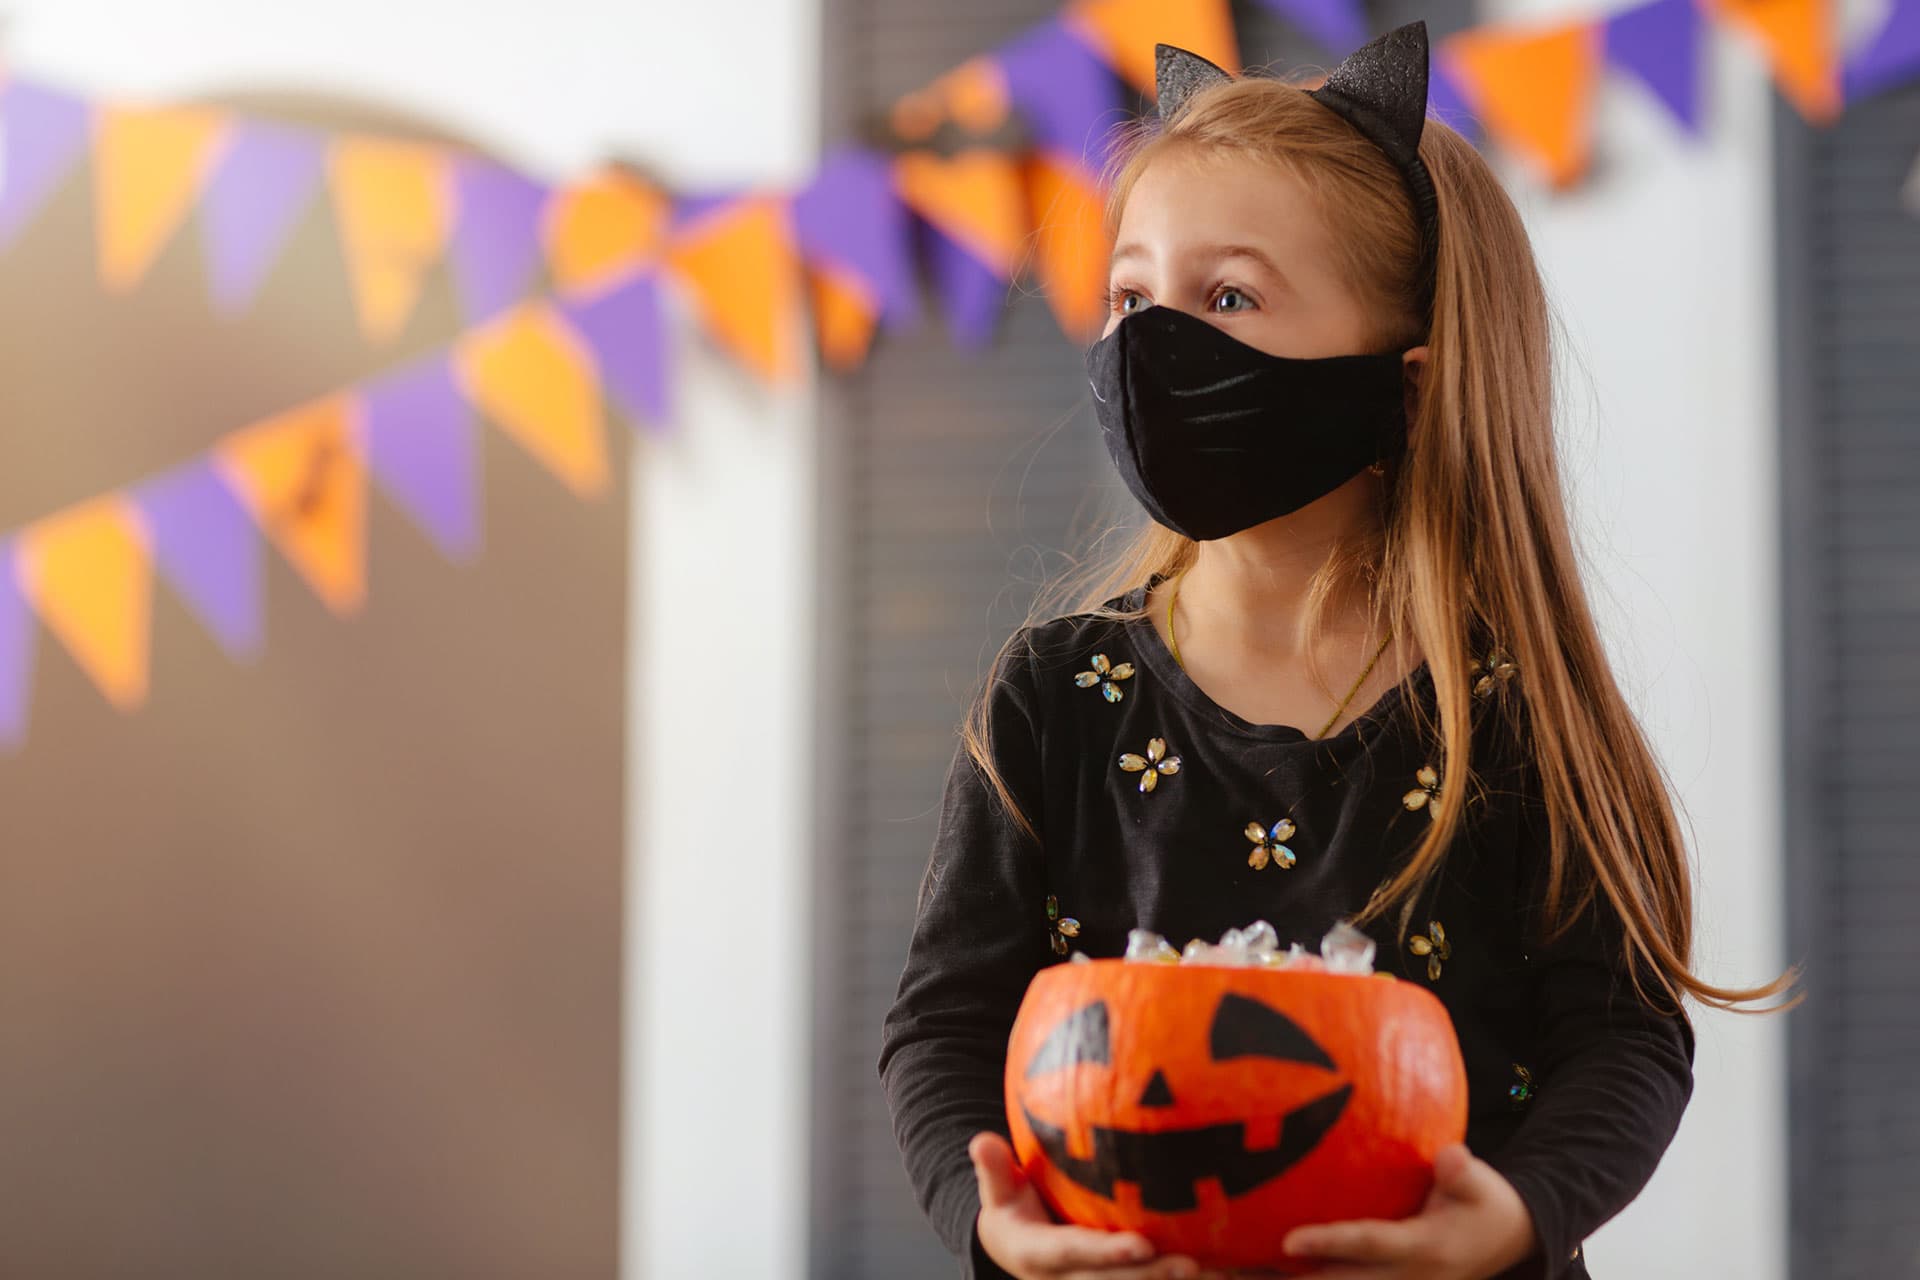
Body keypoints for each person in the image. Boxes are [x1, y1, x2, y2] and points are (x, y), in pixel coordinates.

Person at [876, 22, 1795, 1280]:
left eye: (1230, 296)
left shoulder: (1505, 709)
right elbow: (949, 1020)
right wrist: (991, 1214)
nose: (1152, 344)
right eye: (1130, 294)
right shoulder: (1055, 698)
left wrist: (1512, 1221)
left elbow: (1624, 1039)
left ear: (1406, 379)